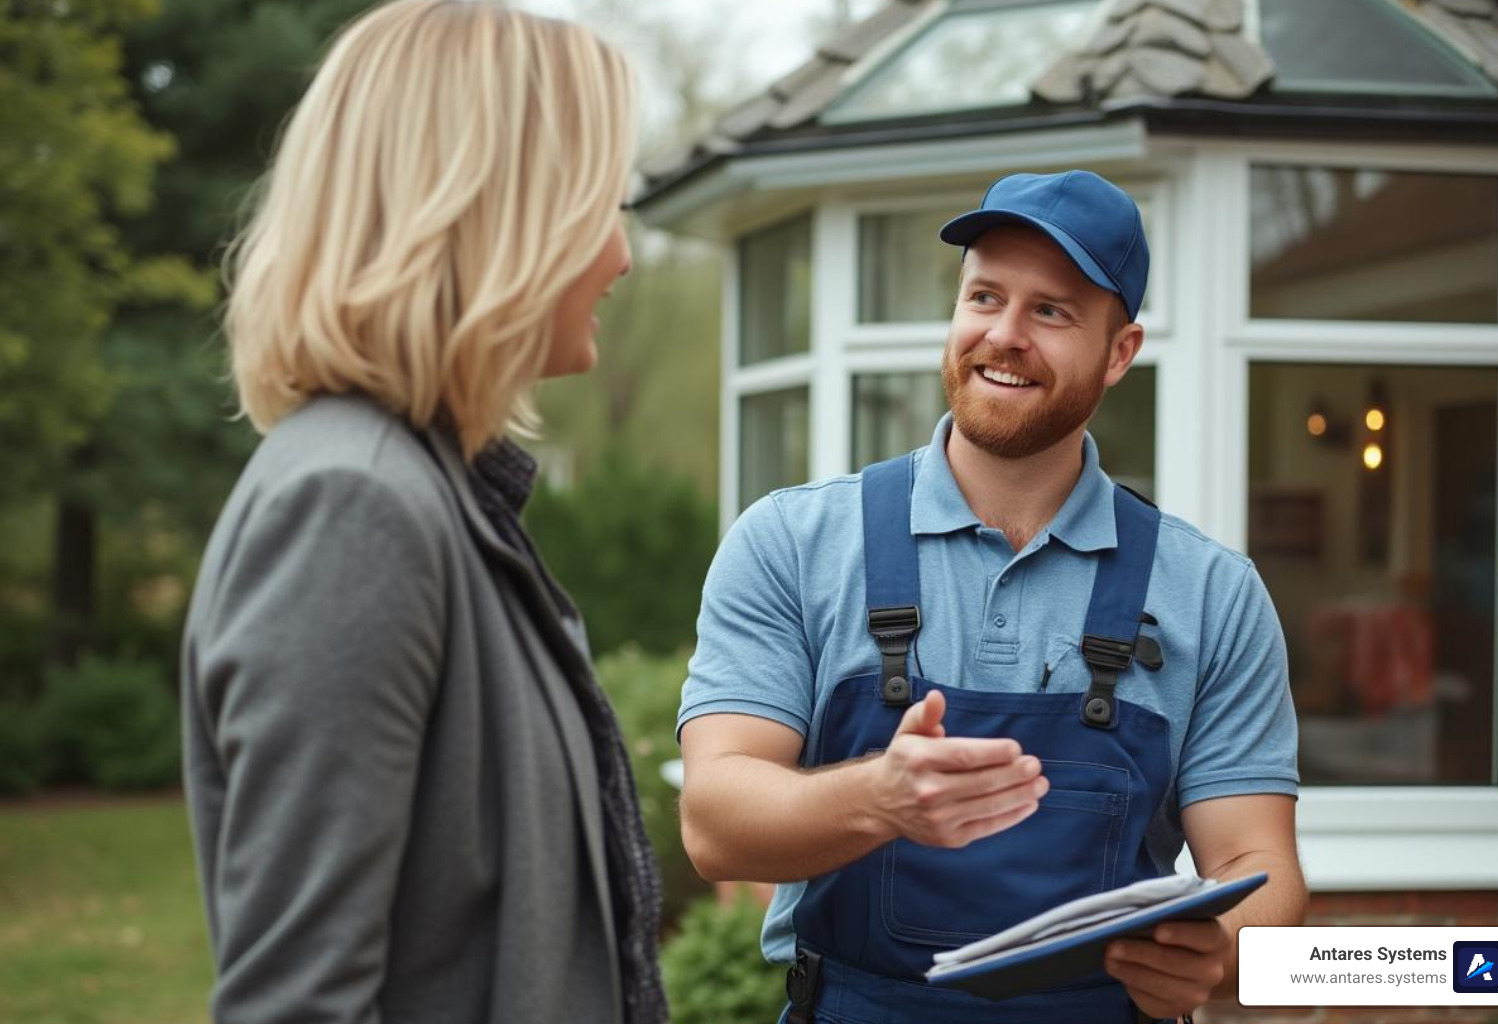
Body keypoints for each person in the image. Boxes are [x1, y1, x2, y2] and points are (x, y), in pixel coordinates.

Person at [678, 170, 1307, 1023]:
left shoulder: (1213, 592)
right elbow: (715, 825)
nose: (1004, 335)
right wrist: (879, 797)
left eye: (1051, 311)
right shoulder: (793, 544)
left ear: (1120, 351)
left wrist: (1226, 952)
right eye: (984, 296)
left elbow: (1258, 865)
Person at [180, 3, 666, 1022]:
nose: (621, 254)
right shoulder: (351, 507)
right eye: (600, 202)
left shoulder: (435, 492)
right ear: (497, 213)